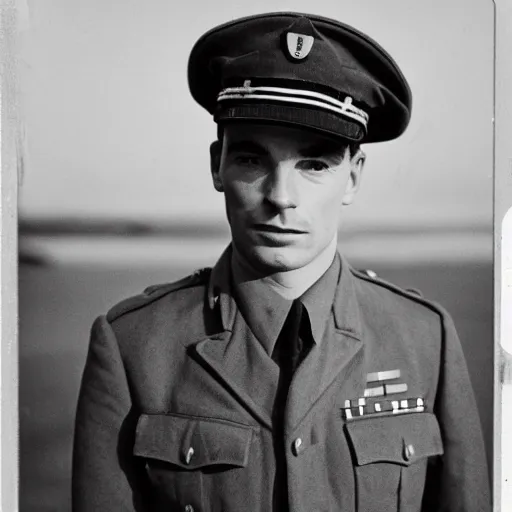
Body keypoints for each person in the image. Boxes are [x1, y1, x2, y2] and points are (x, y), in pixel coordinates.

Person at [72, 11, 491, 512]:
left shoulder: (424, 337)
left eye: (314, 165)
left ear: (353, 177)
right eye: (252, 159)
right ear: (217, 166)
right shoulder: (133, 345)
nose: (280, 196)